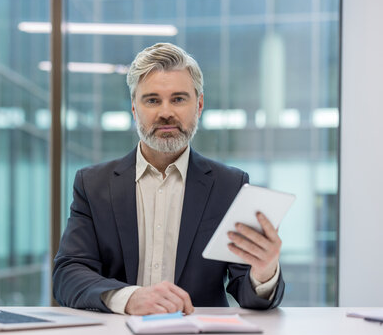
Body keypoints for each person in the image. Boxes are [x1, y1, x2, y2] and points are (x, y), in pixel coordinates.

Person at [53, 43, 284, 315]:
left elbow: (246, 289)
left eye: (178, 99)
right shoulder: (93, 185)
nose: (165, 112)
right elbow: (69, 273)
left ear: (198, 105)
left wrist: (264, 270)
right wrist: (130, 298)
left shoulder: (229, 186)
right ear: (134, 109)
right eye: (152, 100)